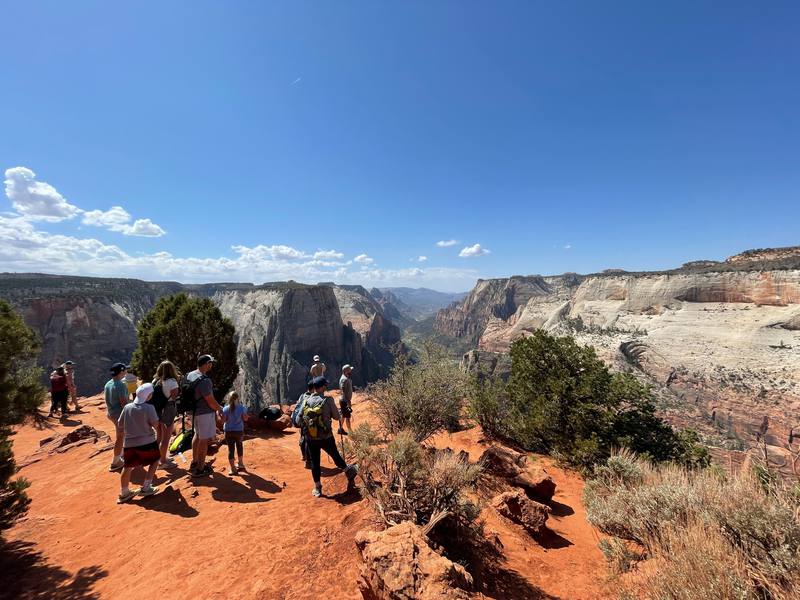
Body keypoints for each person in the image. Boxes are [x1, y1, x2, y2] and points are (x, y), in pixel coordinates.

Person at [301, 376, 357, 498]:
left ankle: (317, 488)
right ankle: (349, 472)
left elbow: (299, 418)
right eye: (325, 385)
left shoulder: (306, 400)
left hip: (311, 437)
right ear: (322, 387)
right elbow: (337, 417)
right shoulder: (328, 400)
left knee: (315, 463)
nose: (326, 387)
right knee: (335, 456)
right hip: (326, 436)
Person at [116, 382, 161, 503]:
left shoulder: (127, 407)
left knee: (128, 467)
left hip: (129, 442)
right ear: (148, 396)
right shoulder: (149, 408)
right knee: (155, 460)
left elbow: (120, 425)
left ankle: (124, 492)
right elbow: (155, 424)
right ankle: (146, 487)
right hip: (147, 441)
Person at [187, 354, 223, 478]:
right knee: (204, 439)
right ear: (207, 364)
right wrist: (219, 408)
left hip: (192, 412)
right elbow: (210, 400)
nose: (212, 365)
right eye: (211, 363)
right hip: (204, 413)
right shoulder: (205, 380)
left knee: (197, 434)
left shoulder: (189, 375)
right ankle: (200, 469)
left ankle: (195, 461)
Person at [151, 360, 181, 469]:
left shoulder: (155, 380)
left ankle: (156, 458)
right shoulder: (172, 382)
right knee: (166, 437)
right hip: (167, 409)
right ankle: (163, 462)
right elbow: (174, 397)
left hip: (156, 410)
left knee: (159, 435)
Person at [105, 363, 130, 472]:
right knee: (121, 436)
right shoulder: (120, 384)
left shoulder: (108, 383)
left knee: (120, 435)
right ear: (121, 372)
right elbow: (123, 402)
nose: (126, 372)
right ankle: (115, 462)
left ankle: (121, 454)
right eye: (125, 370)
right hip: (119, 414)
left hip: (111, 413)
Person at [221, 391, 247, 476]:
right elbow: (245, 419)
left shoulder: (225, 409)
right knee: (239, 446)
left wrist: (219, 415)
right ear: (237, 398)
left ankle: (233, 469)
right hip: (239, 431)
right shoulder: (242, 408)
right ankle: (240, 463)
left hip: (228, 431)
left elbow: (223, 421)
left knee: (230, 449)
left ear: (229, 399)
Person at [291, 381, 315, 468]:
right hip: (307, 422)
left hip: (300, 421)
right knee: (308, 441)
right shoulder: (310, 398)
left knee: (303, 438)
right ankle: (308, 461)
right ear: (313, 388)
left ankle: (304, 456)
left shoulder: (302, 395)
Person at [338, 364, 354, 434]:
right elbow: (343, 389)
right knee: (347, 416)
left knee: (344, 415)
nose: (351, 371)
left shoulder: (345, 378)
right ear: (346, 371)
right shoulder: (344, 379)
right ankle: (350, 432)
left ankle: (340, 429)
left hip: (344, 400)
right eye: (350, 370)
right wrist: (348, 401)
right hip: (345, 401)